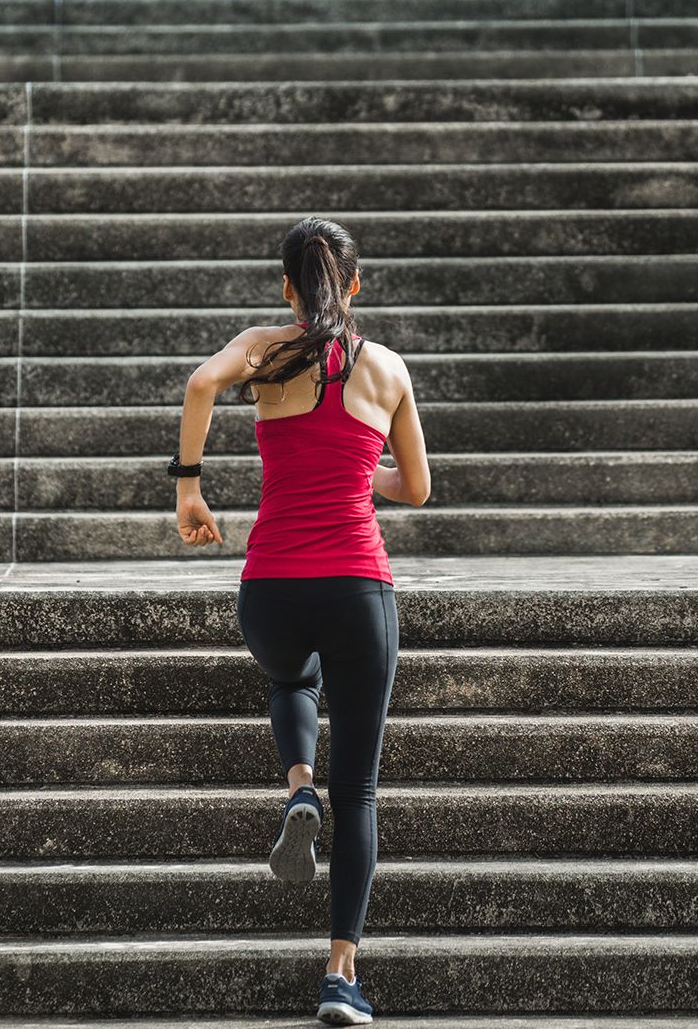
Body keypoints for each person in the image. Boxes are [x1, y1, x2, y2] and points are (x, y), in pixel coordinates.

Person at [169, 216, 432, 1025]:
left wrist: (189, 489)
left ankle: (294, 789)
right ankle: (340, 977)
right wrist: (361, 469)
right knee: (360, 791)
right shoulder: (385, 369)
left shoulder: (265, 348)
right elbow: (416, 489)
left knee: (291, 676)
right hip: (359, 589)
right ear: (355, 285)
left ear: (288, 286)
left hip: (272, 587)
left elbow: (198, 385)